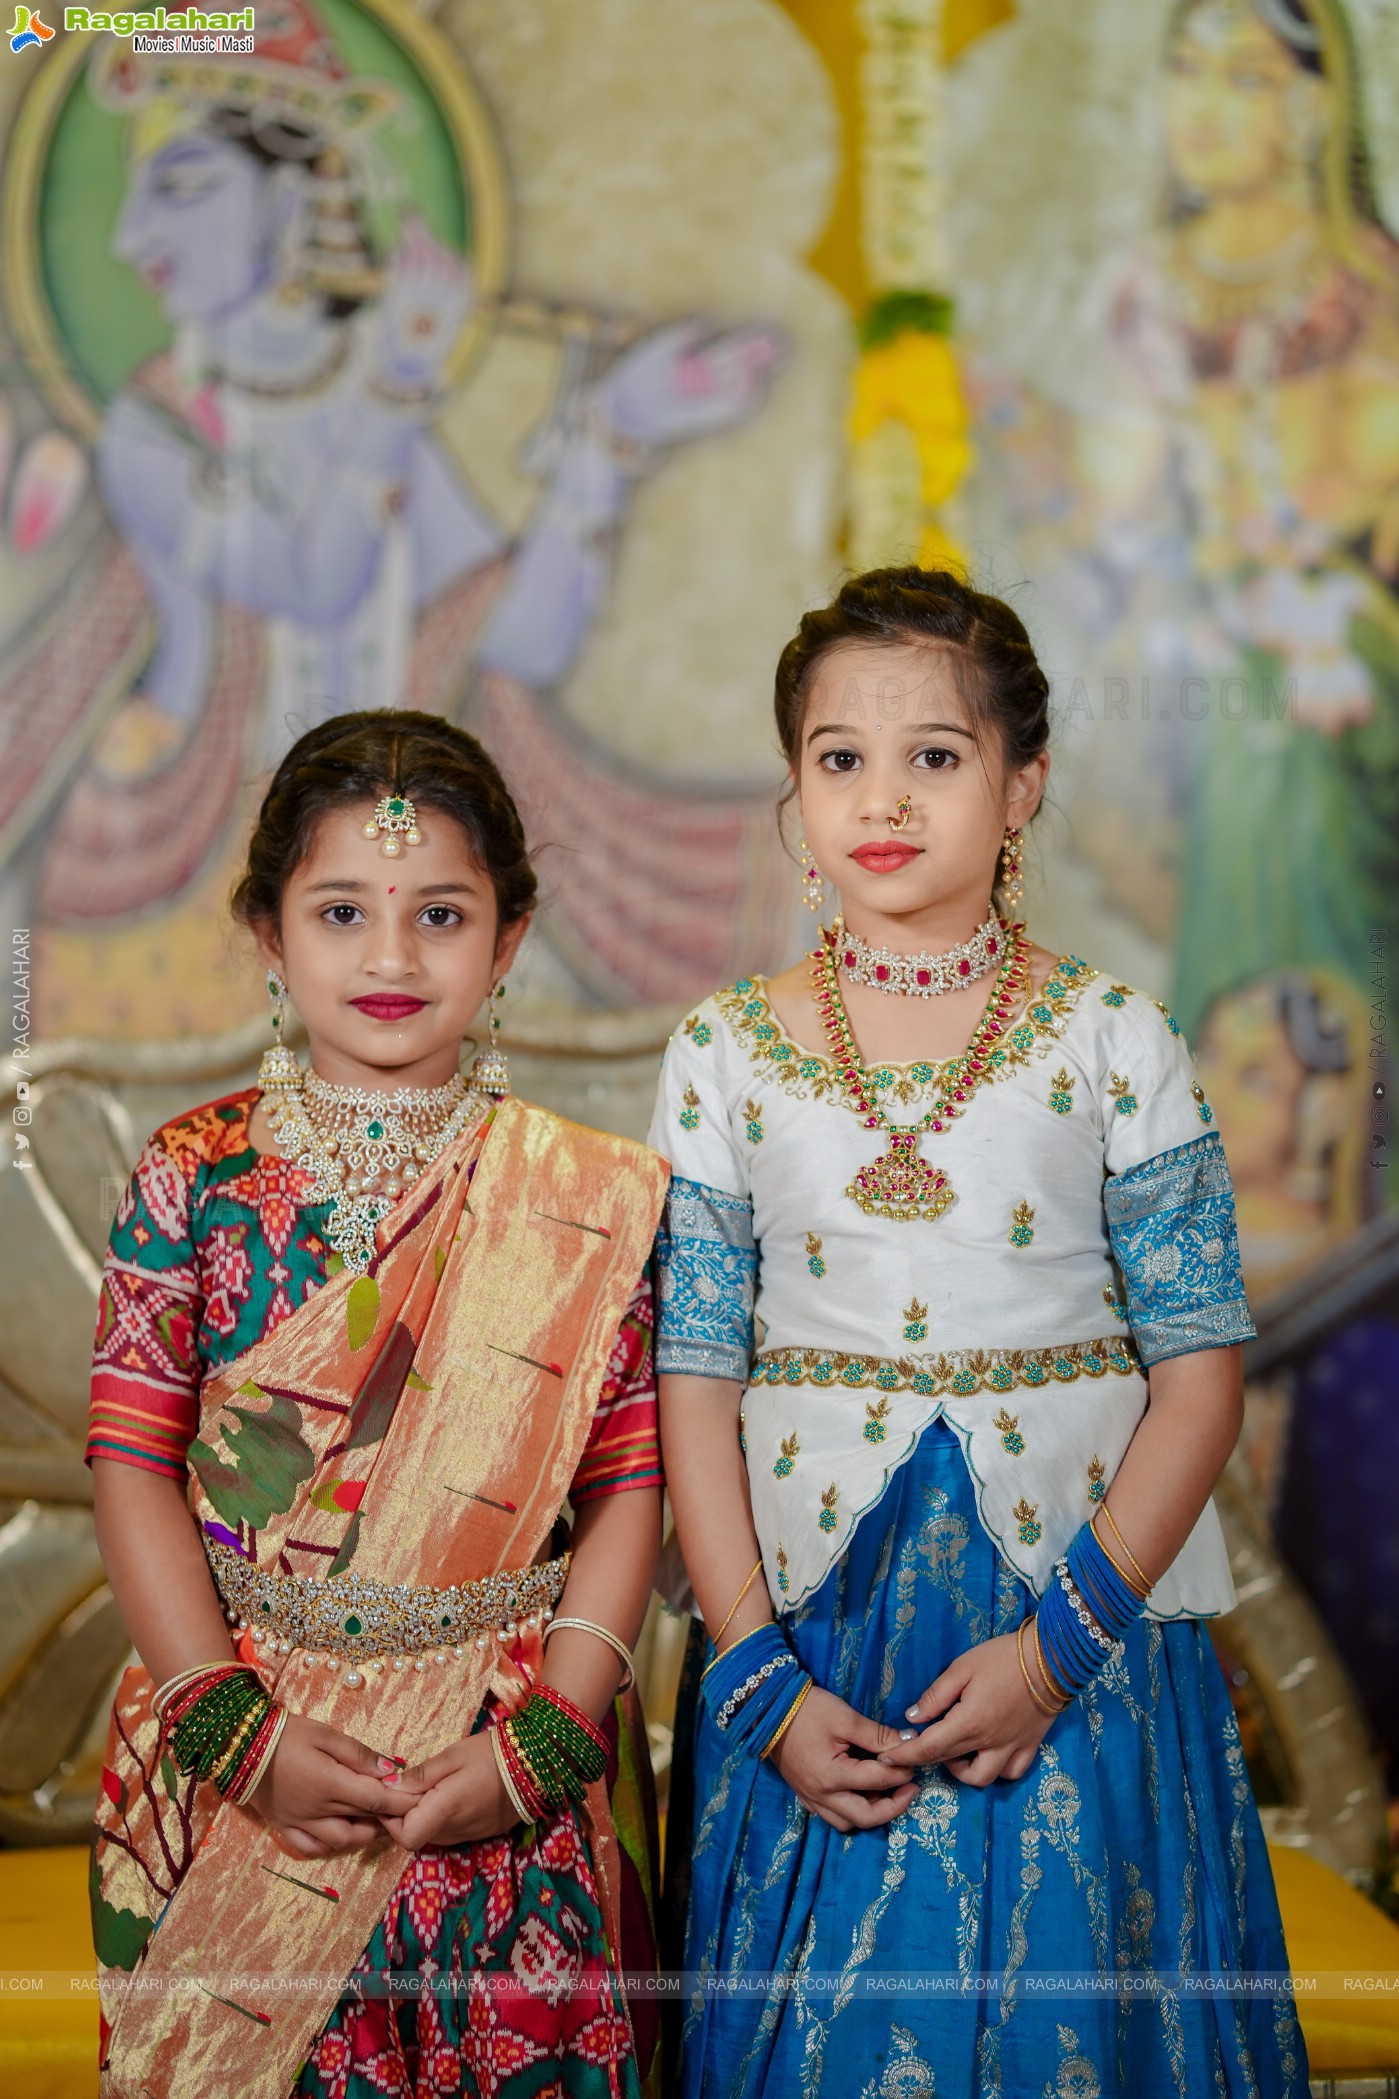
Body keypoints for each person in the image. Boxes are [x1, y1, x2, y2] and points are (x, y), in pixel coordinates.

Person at [650, 568, 1308, 2096]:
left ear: (1024, 787)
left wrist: (1059, 1655)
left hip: (1076, 1625)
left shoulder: (1113, 1039)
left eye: (936, 757)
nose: (883, 797)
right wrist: (756, 1681)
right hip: (815, 1640)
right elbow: (694, 1382)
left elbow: (1200, 1383)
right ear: (794, 793)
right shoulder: (719, 1055)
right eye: (839, 758)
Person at [85, 710, 670, 2098]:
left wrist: (543, 1745)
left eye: (443, 915)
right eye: (343, 910)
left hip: (507, 1750)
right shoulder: (196, 1176)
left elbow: (630, 1488)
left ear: (510, 938)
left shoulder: (595, 1198)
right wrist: (234, 1733)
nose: (393, 958)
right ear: (268, 931)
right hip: (234, 1752)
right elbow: (131, 1466)